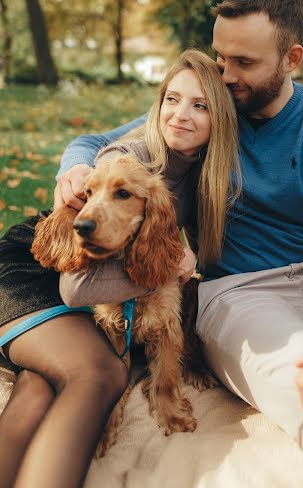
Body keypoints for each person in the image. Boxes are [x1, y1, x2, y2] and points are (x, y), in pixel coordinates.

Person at [57, 0, 303, 488]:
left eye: (244, 63)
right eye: (221, 57)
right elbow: (97, 140)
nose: (224, 74)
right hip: (238, 296)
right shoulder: (207, 110)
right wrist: (75, 167)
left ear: (292, 59)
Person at [0, 49, 240, 488]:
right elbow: (75, 289)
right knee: (99, 375)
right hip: (35, 270)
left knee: (39, 385)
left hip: (77, 284)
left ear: (219, 120)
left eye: (199, 105)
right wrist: (170, 265)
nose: (180, 114)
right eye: (171, 99)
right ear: (159, 102)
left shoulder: (194, 168)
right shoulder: (133, 156)